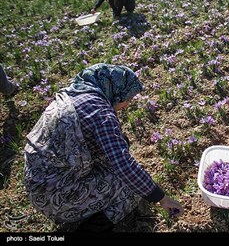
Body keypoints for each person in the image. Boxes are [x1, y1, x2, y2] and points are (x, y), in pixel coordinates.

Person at [24, 63, 184, 232]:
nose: (127, 105)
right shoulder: (101, 114)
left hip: (38, 183)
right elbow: (123, 165)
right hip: (55, 197)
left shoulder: (76, 94)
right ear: (117, 91)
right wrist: (162, 198)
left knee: (122, 155)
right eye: (128, 98)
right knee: (132, 190)